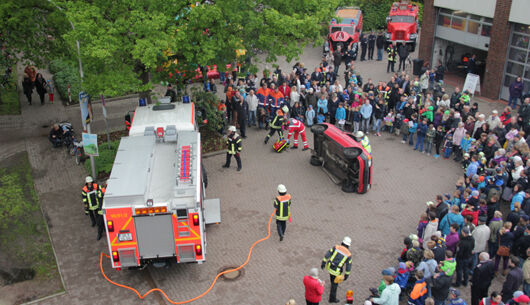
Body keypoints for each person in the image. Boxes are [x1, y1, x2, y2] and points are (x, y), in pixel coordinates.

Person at [321, 236, 353, 303]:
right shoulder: (348, 255)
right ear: (348, 245)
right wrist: (346, 275)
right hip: (337, 271)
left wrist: (323, 262)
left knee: (332, 278)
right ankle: (332, 299)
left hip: (329, 267)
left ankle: (332, 282)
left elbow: (328, 254)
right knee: (334, 285)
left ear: (342, 242)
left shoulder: (336, 247)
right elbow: (348, 266)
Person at [82, 176, 105, 240]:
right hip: (90, 206)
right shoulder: (84, 189)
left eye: (90, 182)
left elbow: (101, 190)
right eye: (88, 182)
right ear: (86, 183)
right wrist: (86, 207)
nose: (89, 183)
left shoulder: (96, 186)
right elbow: (84, 199)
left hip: (97, 205)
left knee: (98, 217)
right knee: (91, 215)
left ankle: (98, 225)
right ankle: (93, 222)